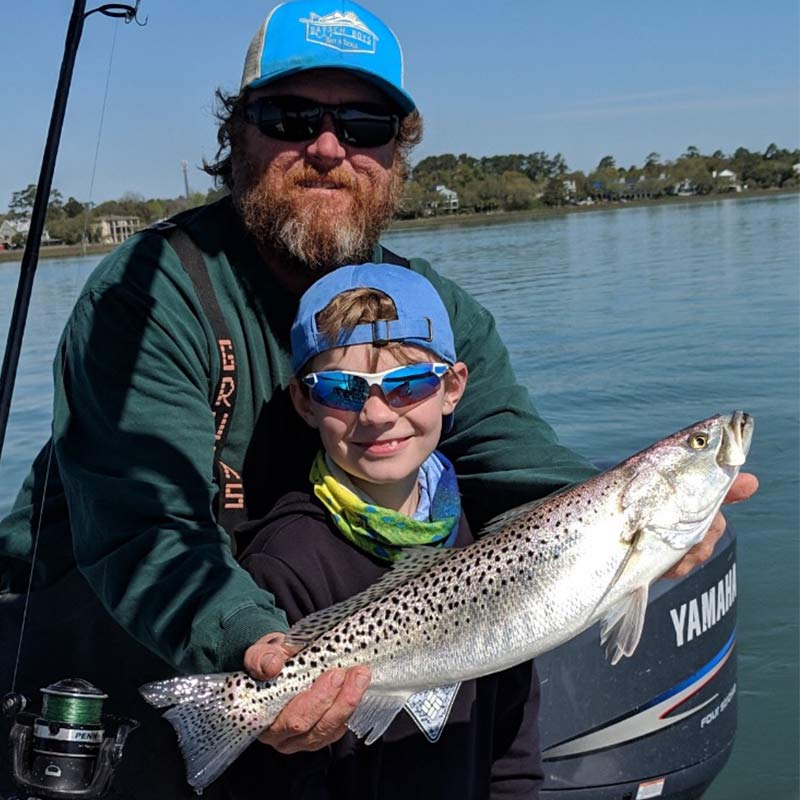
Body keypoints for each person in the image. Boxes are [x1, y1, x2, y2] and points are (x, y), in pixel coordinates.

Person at [0, 1, 757, 798]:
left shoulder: (436, 311)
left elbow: (522, 468)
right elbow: (146, 527)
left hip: (311, 670)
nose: (328, 149)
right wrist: (249, 647)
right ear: (237, 135)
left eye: (364, 125)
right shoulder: (147, 297)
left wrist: (637, 524)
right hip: (103, 658)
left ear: (397, 154)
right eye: (291, 116)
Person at [224, 262, 541, 798]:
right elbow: (276, 778)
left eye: (408, 384)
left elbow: (514, 735)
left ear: (453, 387)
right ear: (304, 401)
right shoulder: (284, 563)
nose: (376, 414)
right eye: (343, 390)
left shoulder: (487, 532)